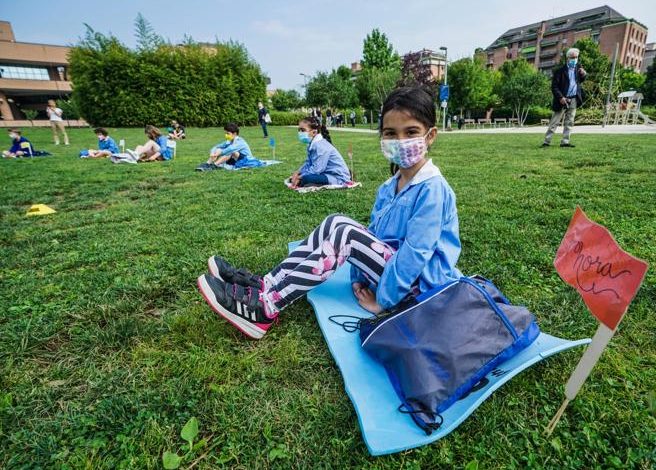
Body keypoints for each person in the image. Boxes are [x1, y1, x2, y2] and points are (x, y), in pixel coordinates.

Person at [196, 86, 463, 339]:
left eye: (411, 132)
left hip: (420, 286)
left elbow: (415, 256)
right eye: (391, 133)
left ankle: (266, 308)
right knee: (335, 221)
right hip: (392, 271)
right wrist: (361, 279)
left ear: (430, 136)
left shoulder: (433, 190)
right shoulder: (389, 187)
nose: (400, 141)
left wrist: (383, 300)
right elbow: (374, 237)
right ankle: (266, 284)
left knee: (346, 234)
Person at [542, 48, 587, 148]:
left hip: (574, 99)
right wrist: (560, 97)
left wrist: (584, 75)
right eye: (572, 57)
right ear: (567, 58)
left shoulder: (578, 68)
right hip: (562, 100)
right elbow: (554, 87)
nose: (575, 59)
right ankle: (546, 142)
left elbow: (580, 81)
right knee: (554, 122)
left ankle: (565, 142)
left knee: (569, 122)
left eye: (576, 57)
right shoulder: (559, 71)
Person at [289, 116, 351, 188]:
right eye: (299, 130)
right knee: (295, 178)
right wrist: (298, 172)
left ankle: (307, 182)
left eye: (302, 130)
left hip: (337, 177)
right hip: (325, 173)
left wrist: (300, 177)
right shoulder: (313, 144)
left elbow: (317, 169)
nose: (300, 133)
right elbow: (308, 163)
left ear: (314, 132)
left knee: (305, 179)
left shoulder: (321, 146)